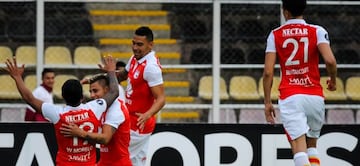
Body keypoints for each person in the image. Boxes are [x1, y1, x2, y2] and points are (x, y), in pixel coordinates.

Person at [4, 56, 119, 166]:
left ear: (63, 97)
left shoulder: (57, 113)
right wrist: (111, 71)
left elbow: (29, 98)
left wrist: (17, 77)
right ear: (82, 97)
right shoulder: (94, 108)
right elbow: (114, 92)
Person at [263, 0, 337, 166]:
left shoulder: (275, 34)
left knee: (298, 148)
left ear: (285, 12)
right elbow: (330, 61)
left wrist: (267, 102)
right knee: (312, 148)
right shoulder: (317, 31)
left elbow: (268, 72)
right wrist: (332, 80)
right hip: (315, 96)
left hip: (291, 96)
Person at [116, 26, 166, 166]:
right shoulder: (134, 58)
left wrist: (147, 115)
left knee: (116, 158)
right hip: (129, 120)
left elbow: (161, 99)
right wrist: (106, 74)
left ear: (150, 45)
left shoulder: (151, 67)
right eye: (133, 43)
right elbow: (122, 76)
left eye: (140, 44)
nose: (135, 48)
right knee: (136, 162)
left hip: (138, 124)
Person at [60, 74, 132, 166]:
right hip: (104, 162)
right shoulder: (100, 107)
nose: (92, 95)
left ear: (107, 90)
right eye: (90, 91)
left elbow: (105, 138)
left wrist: (80, 133)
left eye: (95, 91)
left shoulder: (116, 110)